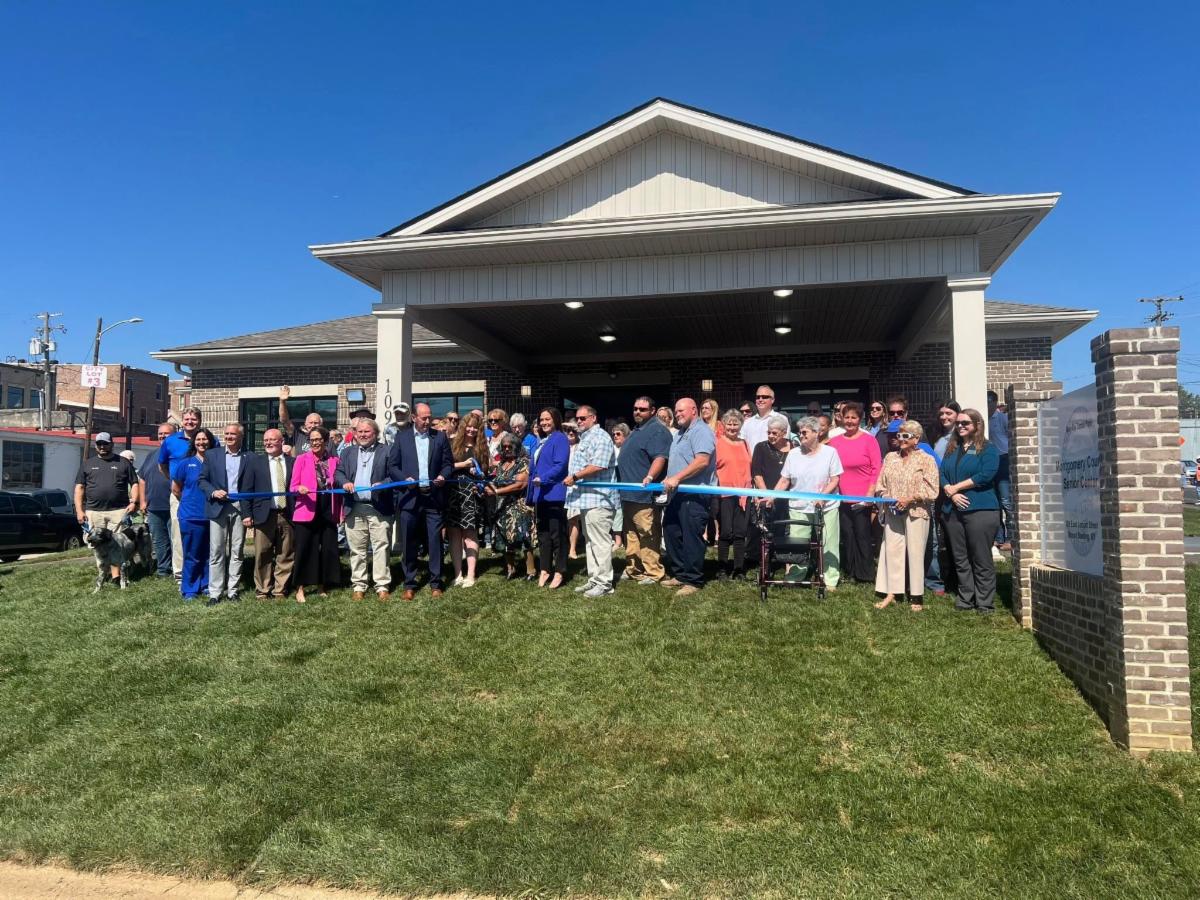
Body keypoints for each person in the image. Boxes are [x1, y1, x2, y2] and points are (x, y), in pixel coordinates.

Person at [387, 401, 454, 600]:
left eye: (429, 417)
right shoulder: (402, 437)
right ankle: (409, 584)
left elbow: (448, 464)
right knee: (409, 542)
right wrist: (404, 479)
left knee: (435, 541)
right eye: (424, 418)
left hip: (433, 497)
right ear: (413, 418)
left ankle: (436, 583)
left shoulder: (439, 437)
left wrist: (443, 475)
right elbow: (392, 466)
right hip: (410, 497)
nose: (427, 421)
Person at [873, 420, 939, 611]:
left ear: (916, 439)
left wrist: (910, 499)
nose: (900, 439)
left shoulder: (926, 459)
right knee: (892, 550)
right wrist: (886, 497)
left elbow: (933, 489)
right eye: (899, 435)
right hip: (893, 511)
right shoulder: (890, 458)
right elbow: (880, 484)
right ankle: (893, 592)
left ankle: (916, 596)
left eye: (905, 436)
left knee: (916, 552)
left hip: (917, 511)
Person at [940, 408, 1001, 613]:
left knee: (980, 557)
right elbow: (942, 473)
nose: (960, 426)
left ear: (977, 424)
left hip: (980, 509)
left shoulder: (987, 448)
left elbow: (986, 474)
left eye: (965, 423)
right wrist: (951, 492)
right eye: (958, 423)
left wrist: (957, 487)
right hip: (952, 510)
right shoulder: (952, 448)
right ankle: (966, 597)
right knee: (960, 557)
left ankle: (984, 602)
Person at [774, 416, 842, 588]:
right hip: (798, 506)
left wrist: (822, 497)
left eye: (805, 432)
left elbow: (834, 479)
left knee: (828, 542)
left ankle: (830, 579)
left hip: (826, 507)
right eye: (799, 432)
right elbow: (784, 480)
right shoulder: (793, 454)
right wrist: (771, 496)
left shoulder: (830, 452)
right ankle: (796, 576)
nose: (801, 435)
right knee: (798, 544)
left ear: (816, 433)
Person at [336, 416, 395, 601]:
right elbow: (339, 472)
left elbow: (395, 475)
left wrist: (383, 483)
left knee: (381, 547)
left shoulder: (387, 451)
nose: (362, 434)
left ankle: (382, 585)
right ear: (355, 434)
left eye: (367, 431)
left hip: (379, 507)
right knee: (357, 549)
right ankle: (359, 585)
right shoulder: (347, 452)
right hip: (354, 507)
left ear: (375, 433)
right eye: (359, 431)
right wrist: (344, 482)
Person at [662, 398, 716, 597]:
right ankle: (681, 574)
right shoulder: (679, 433)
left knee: (691, 536)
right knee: (671, 531)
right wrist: (669, 477)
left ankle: (693, 579)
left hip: (695, 494)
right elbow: (680, 461)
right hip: (676, 493)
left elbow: (702, 461)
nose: (677, 414)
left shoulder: (701, 431)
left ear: (694, 410)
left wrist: (677, 477)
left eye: (681, 411)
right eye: (675, 411)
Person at [563, 405, 618, 598]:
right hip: (587, 499)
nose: (579, 421)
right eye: (577, 418)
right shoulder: (586, 438)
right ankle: (594, 578)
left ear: (593, 418)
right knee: (590, 542)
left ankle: (604, 583)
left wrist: (575, 476)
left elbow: (599, 465)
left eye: (583, 418)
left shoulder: (601, 437)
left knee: (600, 542)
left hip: (600, 499)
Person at [199, 422, 256, 605]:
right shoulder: (212, 455)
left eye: (233, 434)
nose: (229, 437)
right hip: (218, 507)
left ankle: (233, 590)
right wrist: (213, 492)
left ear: (241, 437)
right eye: (227, 434)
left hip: (239, 507)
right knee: (216, 551)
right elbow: (202, 480)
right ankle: (215, 592)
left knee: (237, 550)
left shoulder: (250, 457)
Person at [618, 396, 672, 585]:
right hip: (628, 494)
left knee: (647, 533)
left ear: (652, 411)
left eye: (642, 409)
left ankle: (654, 572)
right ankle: (634, 569)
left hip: (644, 495)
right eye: (635, 408)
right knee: (631, 534)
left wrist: (649, 477)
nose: (637, 412)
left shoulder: (657, 430)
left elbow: (660, 458)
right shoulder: (637, 430)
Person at [75, 432, 140, 583]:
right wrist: (79, 510)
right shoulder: (87, 464)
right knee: (97, 545)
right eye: (99, 444)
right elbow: (79, 487)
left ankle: (117, 576)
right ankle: (103, 574)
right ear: (96, 446)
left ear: (112, 444)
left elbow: (135, 483)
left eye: (105, 443)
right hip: (94, 510)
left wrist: (134, 502)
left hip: (118, 510)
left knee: (117, 544)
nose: (102, 446)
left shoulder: (123, 462)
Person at [828, 401, 881, 584]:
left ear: (860, 419)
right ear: (841, 418)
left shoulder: (869, 440)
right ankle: (850, 570)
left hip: (862, 497)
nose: (850, 421)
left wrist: (870, 492)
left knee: (862, 534)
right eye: (847, 417)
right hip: (842, 496)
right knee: (847, 534)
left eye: (854, 417)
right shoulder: (834, 442)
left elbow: (876, 467)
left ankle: (865, 573)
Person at [289, 426, 344, 602]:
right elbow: (292, 487)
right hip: (307, 509)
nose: (315, 443)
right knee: (305, 549)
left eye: (318, 439)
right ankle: (300, 587)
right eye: (312, 440)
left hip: (328, 509)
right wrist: (299, 488)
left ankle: (322, 585)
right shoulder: (301, 459)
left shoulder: (335, 460)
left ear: (326, 441)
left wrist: (340, 512)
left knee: (327, 549)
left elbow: (339, 487)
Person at [245, 428, 295, 599]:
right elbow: (247, 490)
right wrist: (247, 514)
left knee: (286, 553)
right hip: (263, 514)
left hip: (287, 514)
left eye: (272, 439)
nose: (268, 443)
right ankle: (263, 590)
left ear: (282, 442)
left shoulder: (293, 462)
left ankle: (280, 589)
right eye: (266, 440)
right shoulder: (255, 463)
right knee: (262, 553)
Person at [158, 406, 202, 582]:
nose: (190, 422)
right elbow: (162, 466)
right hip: (179, 495)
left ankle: (200, 569)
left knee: (200, 532)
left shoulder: (207, 439)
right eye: (187, 419)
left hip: (200, 495)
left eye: (194, 419)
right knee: (178, 533)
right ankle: (180, 573)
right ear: (182, 421)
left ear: (200, 421)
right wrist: (174, 483)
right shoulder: (171, 441)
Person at [446, 411, 490, 588]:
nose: (471, 430)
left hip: (471, 496)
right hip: (453, 494)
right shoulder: (452, 445)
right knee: (454, 534)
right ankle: (458, 574)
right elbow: (445, 466)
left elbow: (485, 471)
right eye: (469, 426)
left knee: (470, 534)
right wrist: (463, 465)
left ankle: (471, 574)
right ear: (463, 427)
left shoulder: (481, 447)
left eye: (475, 427)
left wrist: (478, 475)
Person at [528, 407, 571, 589]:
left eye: (548, 419)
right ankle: (545, 569)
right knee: (543, 535)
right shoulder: (542, 441)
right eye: (542, 419)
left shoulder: (560, 438)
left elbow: (561, 465)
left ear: (556, 420)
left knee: (557, 535)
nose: (544, 422)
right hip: (540, 495)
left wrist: (543, 478)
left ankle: (560, 571)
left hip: (554, 494)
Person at [485, 432, 536, 580]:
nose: (507, 449)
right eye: (504, 446)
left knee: (524, 537)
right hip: (502, 506)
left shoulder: (524, 462)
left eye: (510, 446)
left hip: (520, 505)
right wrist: (487, 488)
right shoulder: (501, 464)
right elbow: (496, 482)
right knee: (504, 537)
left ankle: (531, 571)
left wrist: (497, 491)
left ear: (517, 446)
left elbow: (520, 484)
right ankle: (510, 569)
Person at [171, 428, 215, 600]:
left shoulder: (216, 463)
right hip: (191, 515)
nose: (201, 442)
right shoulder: (186, 464)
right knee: (192, 554)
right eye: (198, 440)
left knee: (209, 553)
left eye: (205, 439)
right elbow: (176, 489)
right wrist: (190, 501)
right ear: (194, 442)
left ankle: (206, 584)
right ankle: (189, 589)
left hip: (212, 515)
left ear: (210, 442)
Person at [711, 409, 752, 578]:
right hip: (724, 494)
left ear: (741, 425)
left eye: (736, 424)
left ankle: (739, 568)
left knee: (740, 533)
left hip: (744, 494)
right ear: (724, 425)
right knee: (725, 532)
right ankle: (722, 568)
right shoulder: (717, 443)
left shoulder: (744, 443)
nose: (732, 427)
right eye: (729, 424)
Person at [138, 422, 177, 578]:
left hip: (173, 504)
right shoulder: (152, 455)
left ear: (174, 436)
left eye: (166, 434)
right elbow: (142, 479)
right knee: (159, 541)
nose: (162, 436)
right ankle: (163, 570)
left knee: (176, 540)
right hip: (154, 506)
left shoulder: (179, 453)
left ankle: (178, 570)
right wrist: (142, 501)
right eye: (160, 434)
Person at [987, 390, 1012, 553]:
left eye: (990, 401)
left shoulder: (1002, 418)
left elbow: (1012, 437)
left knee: (1006, 500)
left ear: (995, 403)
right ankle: (999, 537)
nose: (987, 404)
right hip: (989, 461)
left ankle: (1011, 538)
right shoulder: (982, 419)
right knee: (994, 501)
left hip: (1003, 459)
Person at [278, 386, 325, 457]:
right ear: (305, 424)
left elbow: (334, 460)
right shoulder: (298, 435)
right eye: (310, 423)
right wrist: (282, 402)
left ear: (321, 424)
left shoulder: (326, 438)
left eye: (316, 423)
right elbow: (285, 420)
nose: (313, 425)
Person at [739, 385, 778, 451]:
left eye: (764, 397)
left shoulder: (781, 419)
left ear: (772, 400)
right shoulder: (747, 422)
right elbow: (741, 444)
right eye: (758, 397)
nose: (760, 399)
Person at [610, 422, 629, 549]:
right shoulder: (611, 449)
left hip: (627, 484)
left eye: (618, 434)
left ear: (625, 435)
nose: (615, 436)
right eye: (614, 434)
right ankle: (618, 540)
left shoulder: (629, 448)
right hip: (614, 485)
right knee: (617, 512)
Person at [875, 395, 909, 460]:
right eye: (892, 413)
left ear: (905, 414)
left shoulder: (914, 432)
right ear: (888, 415)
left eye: (900, 412)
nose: (895, 415)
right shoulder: (881, 434)